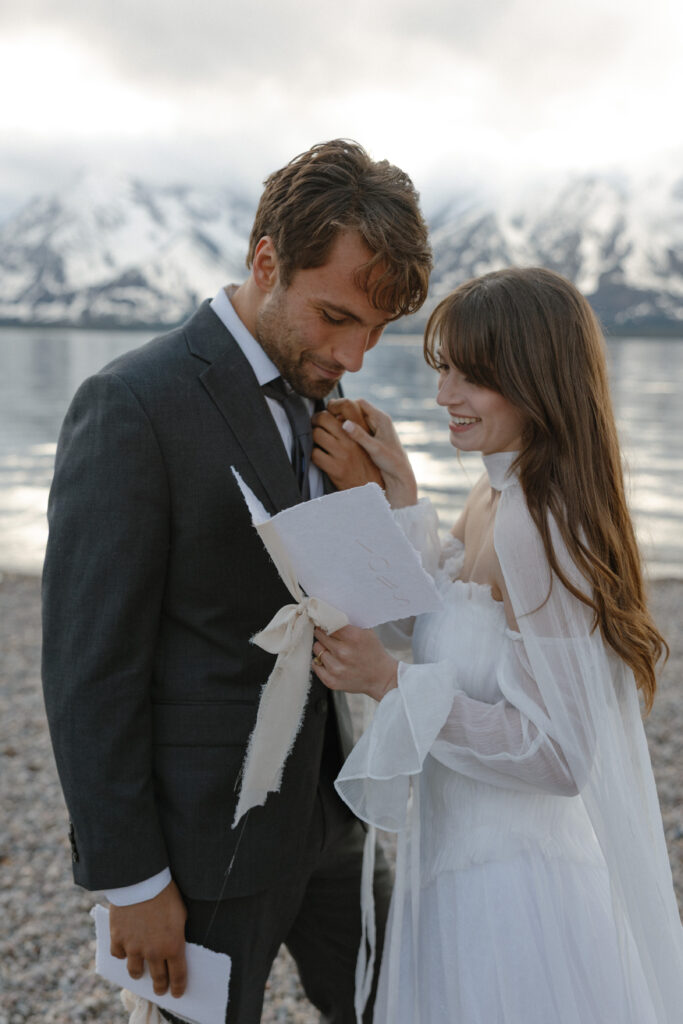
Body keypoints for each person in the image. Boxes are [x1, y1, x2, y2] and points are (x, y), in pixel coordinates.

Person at [41, 139, 432, 1024]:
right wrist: (129, 877)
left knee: (399, 1004)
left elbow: (355, 608)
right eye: (337, 317)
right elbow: (87, 666)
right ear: (266, 262)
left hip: (333, 814)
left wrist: (381, 504)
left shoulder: (324, 400)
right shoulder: (132, 404)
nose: (357, 355)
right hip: (203, 836)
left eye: (375, 330)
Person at [310, 267, 683, 1023]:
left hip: (513, 890)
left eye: (471, 377)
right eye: (442, 368)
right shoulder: (494, 492)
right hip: (461, 859)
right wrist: (400, 497)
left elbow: (562, 755)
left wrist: (393, 686)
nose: (443, 395)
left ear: (534, 381)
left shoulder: (536, 524)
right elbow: (432, 620)